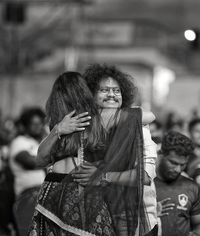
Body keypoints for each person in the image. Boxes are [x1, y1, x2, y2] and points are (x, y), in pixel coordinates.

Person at [29, 68, 155, 236]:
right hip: (79, 191)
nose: (110, 94)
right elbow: (149, 116)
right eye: (103, 90)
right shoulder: (92, 118)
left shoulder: (67, 122)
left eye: (115, 90)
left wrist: (57, 130)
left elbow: (40, 160)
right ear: (86, 92)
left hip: (52, 192)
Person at [152, 131, 200, 236]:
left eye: (183, 164)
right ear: (160, 154)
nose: (177, 169)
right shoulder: (143, 183)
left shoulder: (192, 187)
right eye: (173, 163)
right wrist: (148, 214)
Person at [9, 107, 46, 236]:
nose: (38, 127)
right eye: (34, 124)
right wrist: (51, 160)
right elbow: (29, 162)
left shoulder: (41, 143)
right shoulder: (19, 142)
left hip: (44, 193)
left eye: (40, 123)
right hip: (28, 196)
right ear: (25, 125)